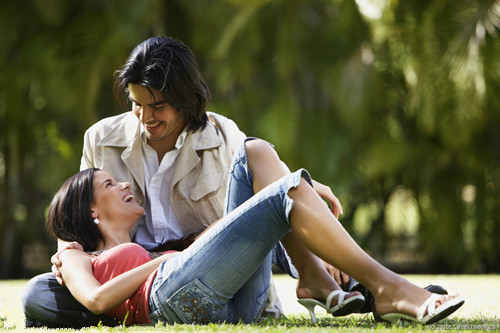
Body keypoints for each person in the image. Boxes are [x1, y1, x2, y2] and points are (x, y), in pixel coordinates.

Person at [22, 36, 361, 328]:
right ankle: (332, 276)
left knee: (262, 164)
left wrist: (306, 196)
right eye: (137, 104)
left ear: (185, 100)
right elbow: (78, 216)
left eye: (158, 106)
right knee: (39, 292)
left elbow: (264, 189)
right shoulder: (101, 139)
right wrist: (70, 257)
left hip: (223, 267)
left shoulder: (221, 135)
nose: (146, 117)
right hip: (151, 280)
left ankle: (342, 279)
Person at [43, 138, 463, 326]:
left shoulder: (147, 248)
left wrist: (166, 257)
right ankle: (387, 289)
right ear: (91, 210)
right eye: (108, 185)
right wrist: (161, 263)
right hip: (165, 297)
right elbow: (97, 300)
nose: (123, 185)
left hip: (231, 304)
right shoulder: (77, 256)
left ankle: (316, 278)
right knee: (290, 190)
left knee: (254, 152)